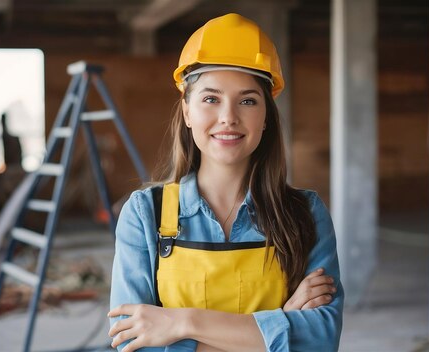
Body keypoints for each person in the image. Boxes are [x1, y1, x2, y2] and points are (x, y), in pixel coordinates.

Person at [108, 13, 343, 352]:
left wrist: (182, 323)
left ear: (265, 118)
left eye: (248, 100)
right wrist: (280, 325)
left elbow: (320, 340)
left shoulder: (305, 213)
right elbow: (130, 341)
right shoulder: (146, 215)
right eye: (211, 98)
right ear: (187, 112)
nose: (228, 117)